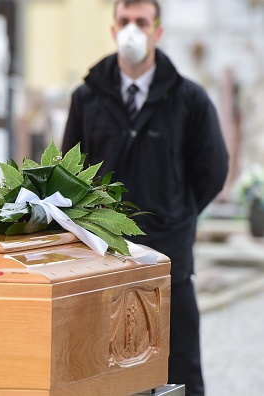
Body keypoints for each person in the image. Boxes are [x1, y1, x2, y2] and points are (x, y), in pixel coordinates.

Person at [61, 1, 228, 395]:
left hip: (168, 251)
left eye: (141, 22)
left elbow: (212, 169)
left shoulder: (188, 99)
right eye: (124, 21)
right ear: (113, 30)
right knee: (106, 361)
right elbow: (69, 172)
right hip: (103, 253)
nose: (132, 29)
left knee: (180, 359)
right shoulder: (87, 97)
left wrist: (177, 213)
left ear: (157, 31)